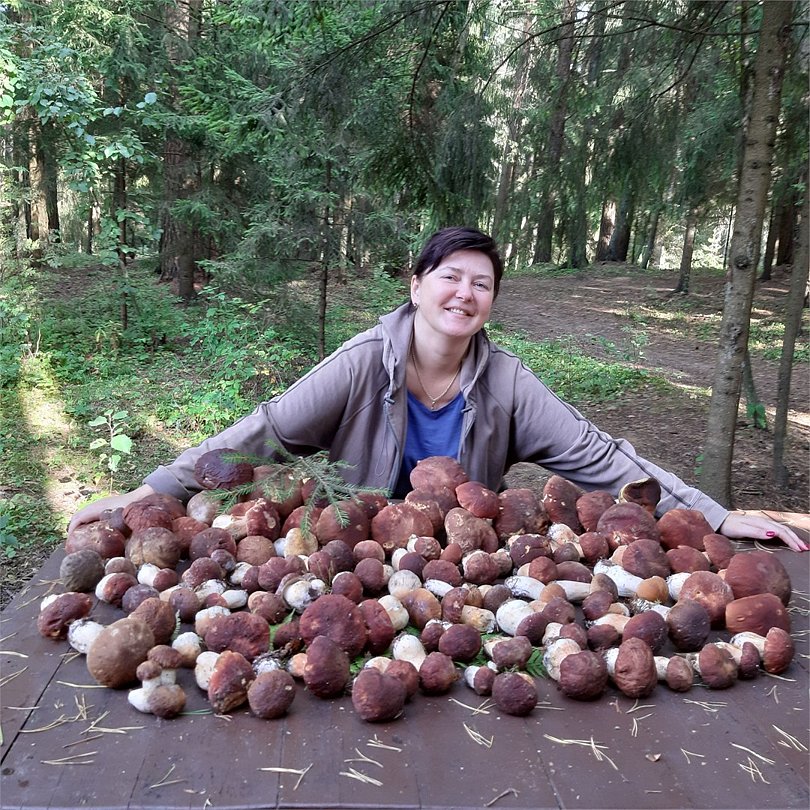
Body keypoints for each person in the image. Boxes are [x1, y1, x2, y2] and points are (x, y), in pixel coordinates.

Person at [68, 227, 808, 552]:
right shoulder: (363, 363)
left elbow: (603, 458)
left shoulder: (508, 382)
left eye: (481, 283)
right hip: (349, 555)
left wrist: (714, 515)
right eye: (450, 276)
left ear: (492, 301)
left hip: (455, 568)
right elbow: (260, 434)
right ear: (417, 284)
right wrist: (145, 494)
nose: (464, 293)